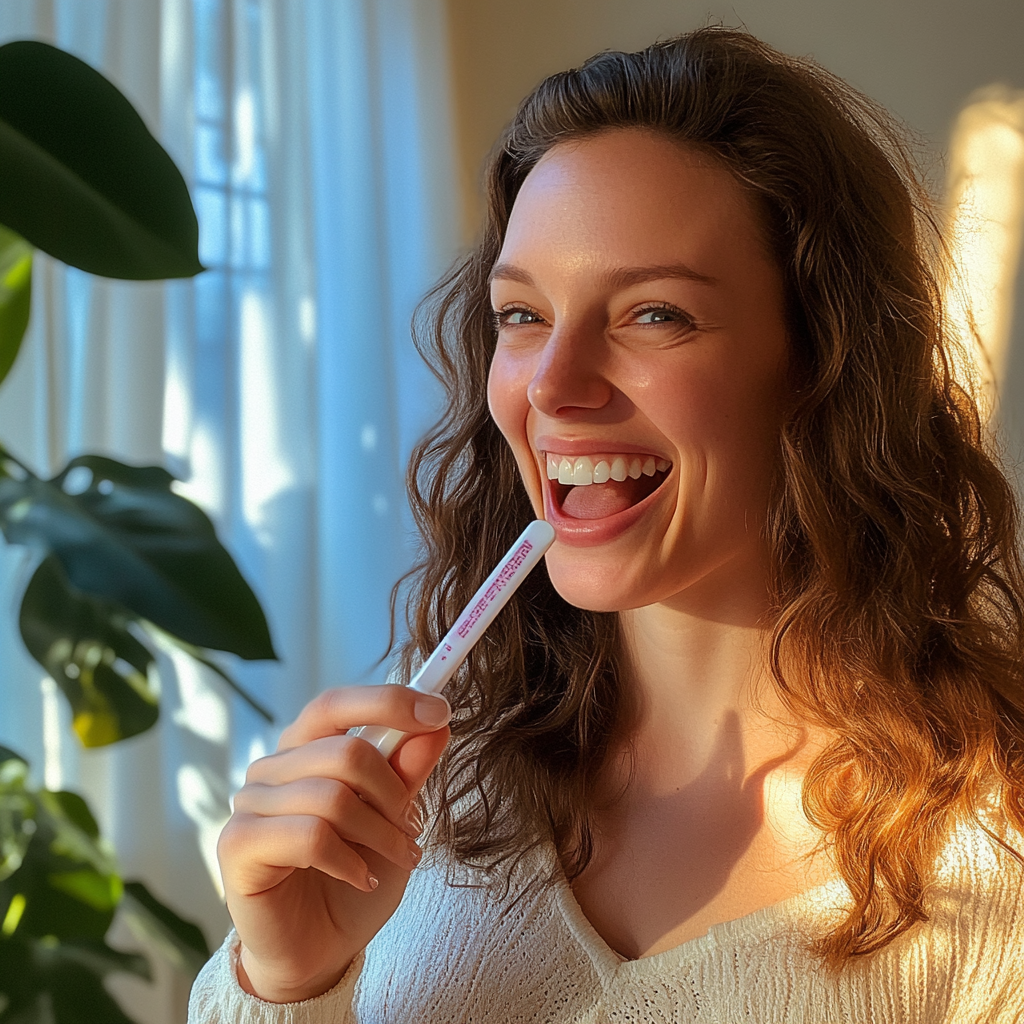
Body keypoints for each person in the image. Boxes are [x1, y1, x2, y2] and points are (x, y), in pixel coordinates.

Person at [189, 27, 1024, 1023]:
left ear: (822, 364)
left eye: (654, 313)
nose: (551, 385)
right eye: (521, 315)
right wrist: (288, 984)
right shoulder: (436, 802)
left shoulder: (992, 873)